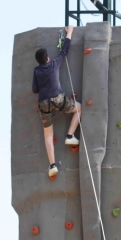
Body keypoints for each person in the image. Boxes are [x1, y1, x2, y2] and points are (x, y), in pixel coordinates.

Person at [32, 25, 81, 177]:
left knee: (48, 134)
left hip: (44, 103)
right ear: (47, 58)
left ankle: (52, 165)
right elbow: (64, 50)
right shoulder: (54, 63)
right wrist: (70, 32)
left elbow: (35, 89)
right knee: (79, 108)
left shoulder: (36, 71)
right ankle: (70, 136)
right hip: (57, 98)